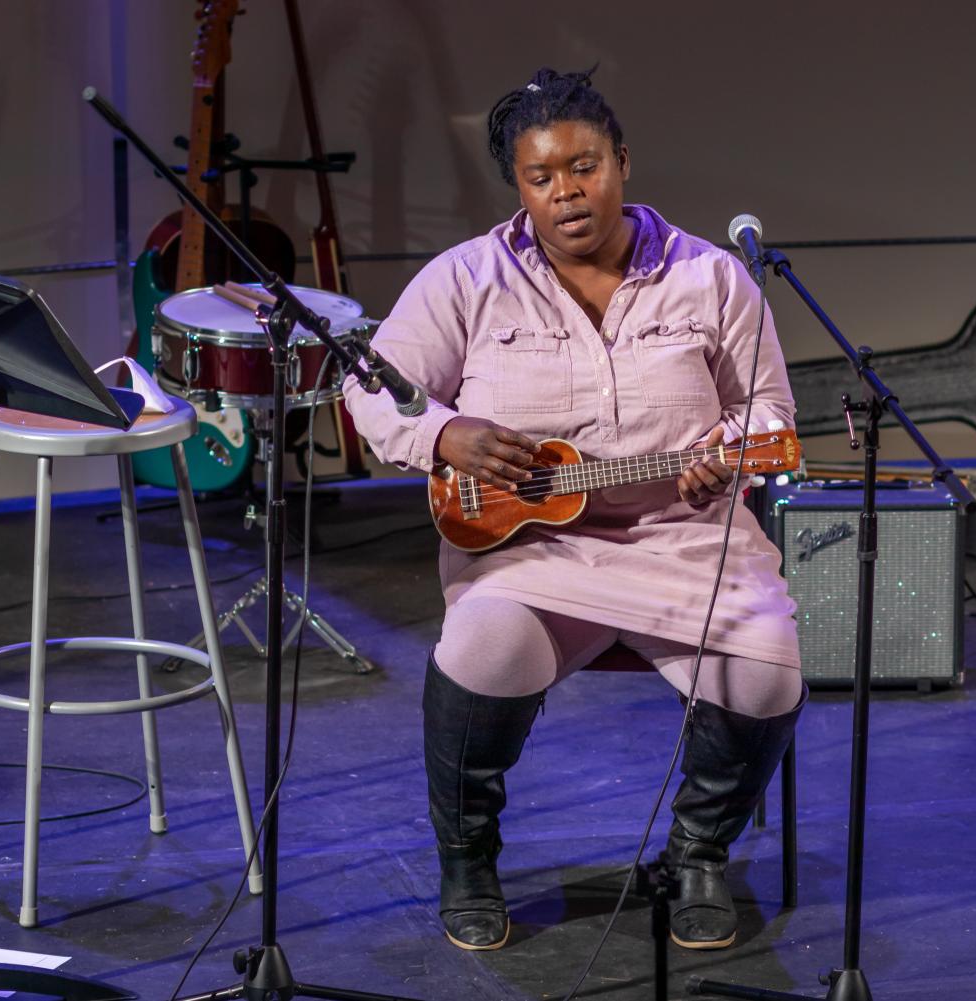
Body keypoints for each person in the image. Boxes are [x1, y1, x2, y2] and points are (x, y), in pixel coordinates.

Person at [341, 67, 805, 953]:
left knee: (767, 673)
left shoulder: (711, 277)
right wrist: (446, 437)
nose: (566, 194)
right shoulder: (467, 279)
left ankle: (697, 854)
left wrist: (722, 462)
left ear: (621, 163)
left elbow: (768, 414)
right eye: (541, 178)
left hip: (684, 534)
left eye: (583, 167)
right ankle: (466, 858)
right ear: (519, 187)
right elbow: (376, 391)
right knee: (482, 645)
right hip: (529, 551)